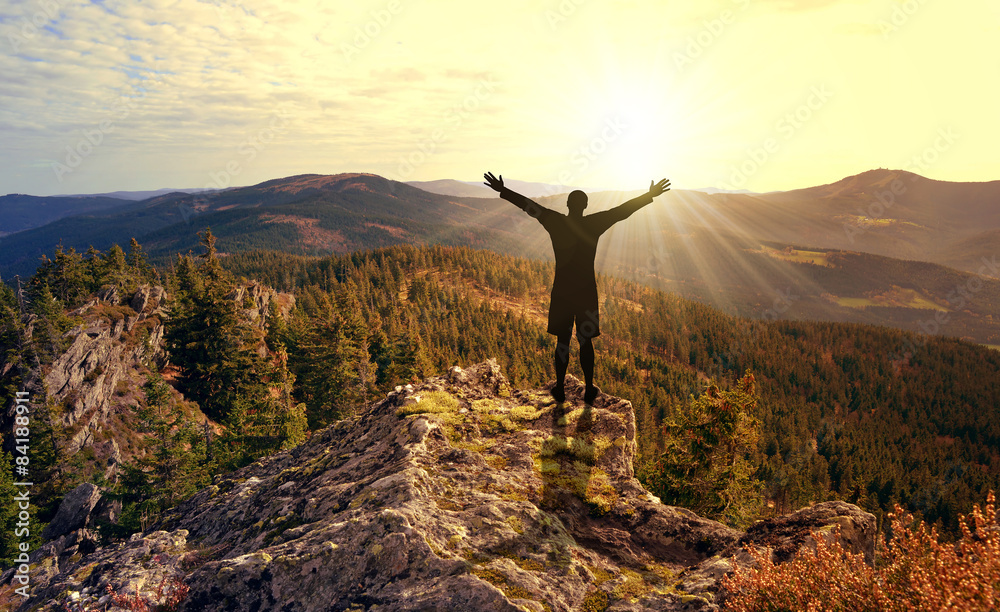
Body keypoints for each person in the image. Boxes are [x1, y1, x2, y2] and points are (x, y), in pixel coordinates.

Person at [483, 172, 670, 404]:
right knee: (585, 341)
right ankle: (589, 387)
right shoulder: (593, 223)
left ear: (568, 205)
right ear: (585, 206)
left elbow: (528, 205)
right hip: (585, 292)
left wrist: (503, 190)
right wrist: (650, 195)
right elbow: (622, 211)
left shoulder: (554, 221)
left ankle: (560, 387)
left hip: (561, 291)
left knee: (562, 341)